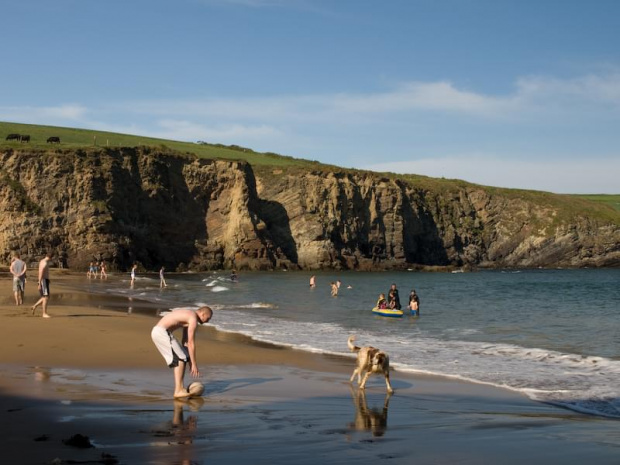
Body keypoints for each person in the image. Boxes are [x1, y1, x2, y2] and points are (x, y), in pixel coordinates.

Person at [151, 306, 213, 398]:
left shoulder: (189, 315)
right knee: (181, 358)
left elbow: (185, 341)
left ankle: (180, 388)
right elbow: (191, 343)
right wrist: (193, 364)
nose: (207, 321)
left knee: (184, 356)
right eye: (208, 318)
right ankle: (178, 390)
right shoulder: (193, 319)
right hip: (162, 333)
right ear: (202, 314)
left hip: (159, 332)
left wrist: (189, 359)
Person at [31, 253, 52, 318]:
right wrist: (39, 283)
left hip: (45, 280)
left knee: (45, 297)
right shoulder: (45, 263)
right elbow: (41, 273)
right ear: (51, 257)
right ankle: (44, 313)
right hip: (43, 281)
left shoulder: (42, 261)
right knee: (46, 297)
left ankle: (34, 306)